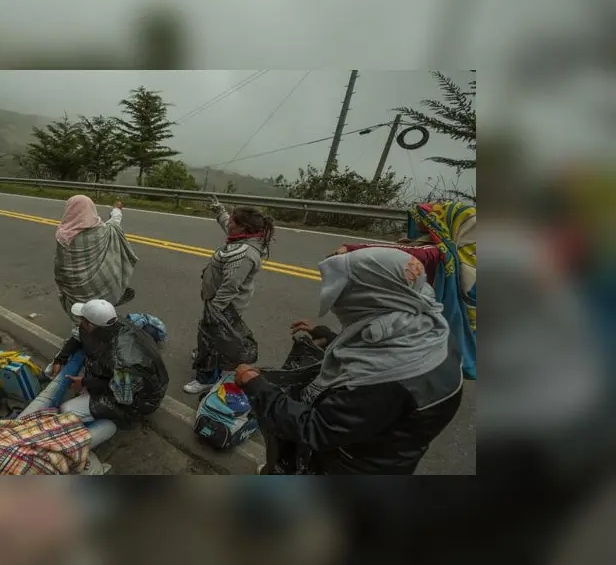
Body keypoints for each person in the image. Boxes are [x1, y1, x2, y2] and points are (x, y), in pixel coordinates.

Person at [234, 247, 464, 475]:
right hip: (390, 450)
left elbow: (316, 429)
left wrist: (258, 387)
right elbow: (377, 352)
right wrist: (332, 337)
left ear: (371, 297)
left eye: (344, 294)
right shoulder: (429, 329)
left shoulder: (383, 379)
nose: (337, 306)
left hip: (354, 465)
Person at [333, 200, 476, 379]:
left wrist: (351, 249)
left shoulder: (438, 253)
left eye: (431, 218)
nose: (422, 221)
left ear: (449, 223)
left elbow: (400, 253)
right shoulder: (469, 255)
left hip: (422, 320)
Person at [183, 197, 275, 394]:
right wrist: (220, 211)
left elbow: (230, 287)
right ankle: (210, 357)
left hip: (225, 305)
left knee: (213, 338)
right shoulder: (243, 238)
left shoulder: (244, 254)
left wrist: (214, 312)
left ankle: (207, 378)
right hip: (219, 301)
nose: (229, 223)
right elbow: (227, 225)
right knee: (215, 336)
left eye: (233, 221)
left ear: (243, 227)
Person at [49, 299, 168, 429]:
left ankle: (114, 424)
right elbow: (79, 336)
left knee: (67, 410)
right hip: (121, 379)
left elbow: (123, 397)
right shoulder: (110, 324)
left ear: (90, 324)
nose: (80, 323)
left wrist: (85, 382)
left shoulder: (124, 361)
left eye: (83, 320)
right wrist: (60, 359)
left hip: (137, 401)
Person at [0, 396, 112, 475]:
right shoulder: (12, 462)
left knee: (47, 401)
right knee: (108, 427)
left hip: (19, 435)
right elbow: (50, 466)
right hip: (25, 439)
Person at [54, 195, 138, 322]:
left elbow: (59, 265)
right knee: (103, 294)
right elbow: (114, 222)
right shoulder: (102, 230)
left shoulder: (62, 235)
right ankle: (103, 315)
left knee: (77, 305)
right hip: (101, 284)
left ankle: (81, 324)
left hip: (74, 287)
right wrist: (117, 209)